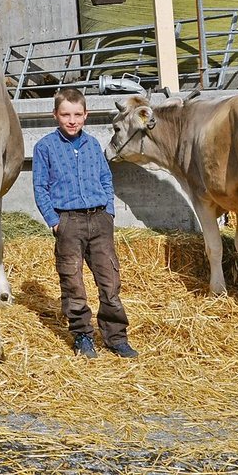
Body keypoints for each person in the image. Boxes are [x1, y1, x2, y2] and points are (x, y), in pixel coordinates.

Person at [31, 87, 138, 359]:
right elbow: (40, 187)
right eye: (65, 114)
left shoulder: (92, 145)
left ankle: (115, 337)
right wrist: (54, 221)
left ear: (86, 115)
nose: (72, 120)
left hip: (99, 220)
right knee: (73, 282)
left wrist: (109, 213)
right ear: (55, 114)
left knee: (110, 281)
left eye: (77, 114)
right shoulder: (45, 147)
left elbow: (106, 179)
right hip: (69, 223)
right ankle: (82, 336)